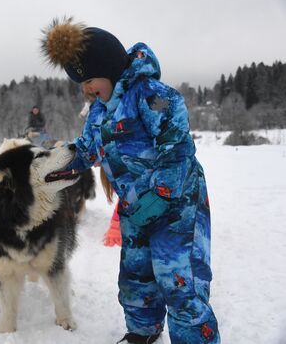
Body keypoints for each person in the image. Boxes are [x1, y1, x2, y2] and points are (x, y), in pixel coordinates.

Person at [41, 17, 220, 344]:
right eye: (80, 84)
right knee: (136, 279)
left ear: (109, 67)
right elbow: (86, 150)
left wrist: (162, 196)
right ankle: (142, 334)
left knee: (179, 283)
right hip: (136, 208)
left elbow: (177, 149)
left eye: (89, 79)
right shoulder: (98, 111)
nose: (85, 89)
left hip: (177, 207)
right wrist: (59, 164)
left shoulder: (153, 96)